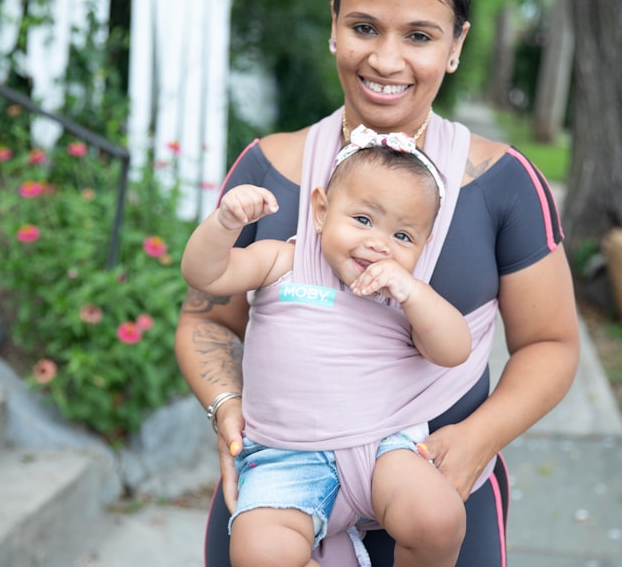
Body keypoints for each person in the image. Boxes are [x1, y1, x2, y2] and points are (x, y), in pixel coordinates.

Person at [174, 0, 581, 567]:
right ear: (334, 25)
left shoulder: (501, 183)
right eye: (365, 27)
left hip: (434, 481)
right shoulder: (268, 168)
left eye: (419, 35)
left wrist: (476, 440)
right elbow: (206, 317)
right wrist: (227, 408)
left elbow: (551, 345)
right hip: (280, 490)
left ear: (456, 46)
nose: (387, 61)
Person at [182, 128, 474, 567]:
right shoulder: (282, 262)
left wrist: (413, 294)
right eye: (363, 220)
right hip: (284, 455)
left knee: (439, 518)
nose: (379, 243)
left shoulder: (408, 295)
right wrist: (225, 224)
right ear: (320, 211)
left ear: (424, 246)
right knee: (257, 552)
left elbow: (455, 350)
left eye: (403, 237)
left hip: (382, 449)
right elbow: (206, 275)